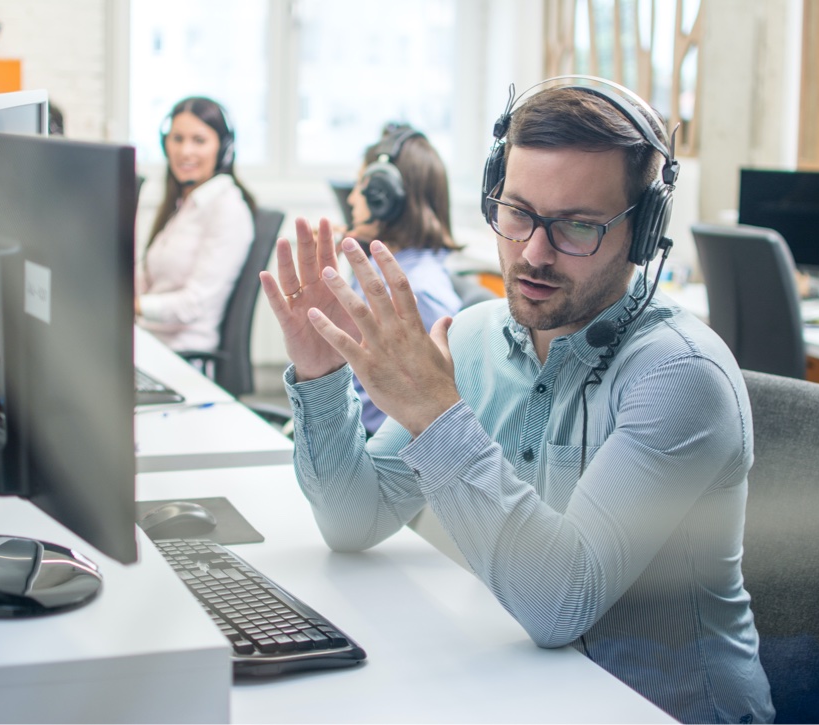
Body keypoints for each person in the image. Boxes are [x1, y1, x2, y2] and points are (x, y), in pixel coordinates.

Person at [260, 77, 774, 724]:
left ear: (642, 235)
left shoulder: (680, 377)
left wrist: (434, 415)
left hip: (661, 707)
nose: (533, 253)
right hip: (532, 690)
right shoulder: (476, 337)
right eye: (518, 212)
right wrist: (320, 372)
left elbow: (563, 602)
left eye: (578, 227)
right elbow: (352, 520)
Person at [342, 123, 462, 435]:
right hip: (352, 428)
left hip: (379, 450)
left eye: (360, 187)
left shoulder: (418, 292)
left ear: (386, 196)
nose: (352, 199)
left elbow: (437, 416)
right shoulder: (380, 267)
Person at [136, 96, 257, 352]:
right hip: (148, 342)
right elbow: (151, 280)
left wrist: (134, 305)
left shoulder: (228, 209)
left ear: (223, 149)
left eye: (199, 140)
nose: (184, 151)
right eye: (177, 139)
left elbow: (194, 304)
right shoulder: (183, 204)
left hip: (182, 353)